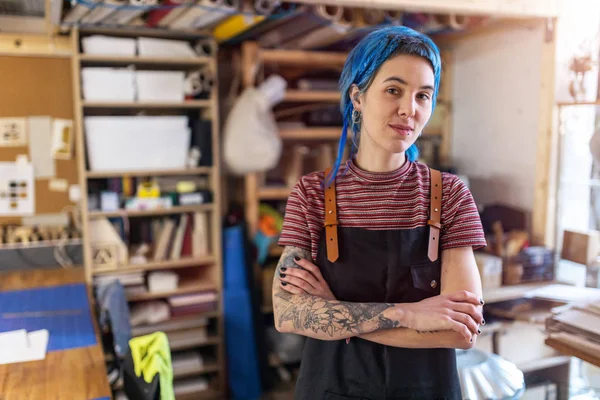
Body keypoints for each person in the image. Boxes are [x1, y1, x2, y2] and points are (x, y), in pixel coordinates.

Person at [271, 25, 488, 400]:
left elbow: (460, 331)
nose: (410, 109)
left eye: (423, 95)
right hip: (330, 389)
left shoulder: (450, 195)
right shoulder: (312, 194)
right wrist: (411, 315)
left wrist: (334, 312)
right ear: (357, 96)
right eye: (393, 90)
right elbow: (288, 314)